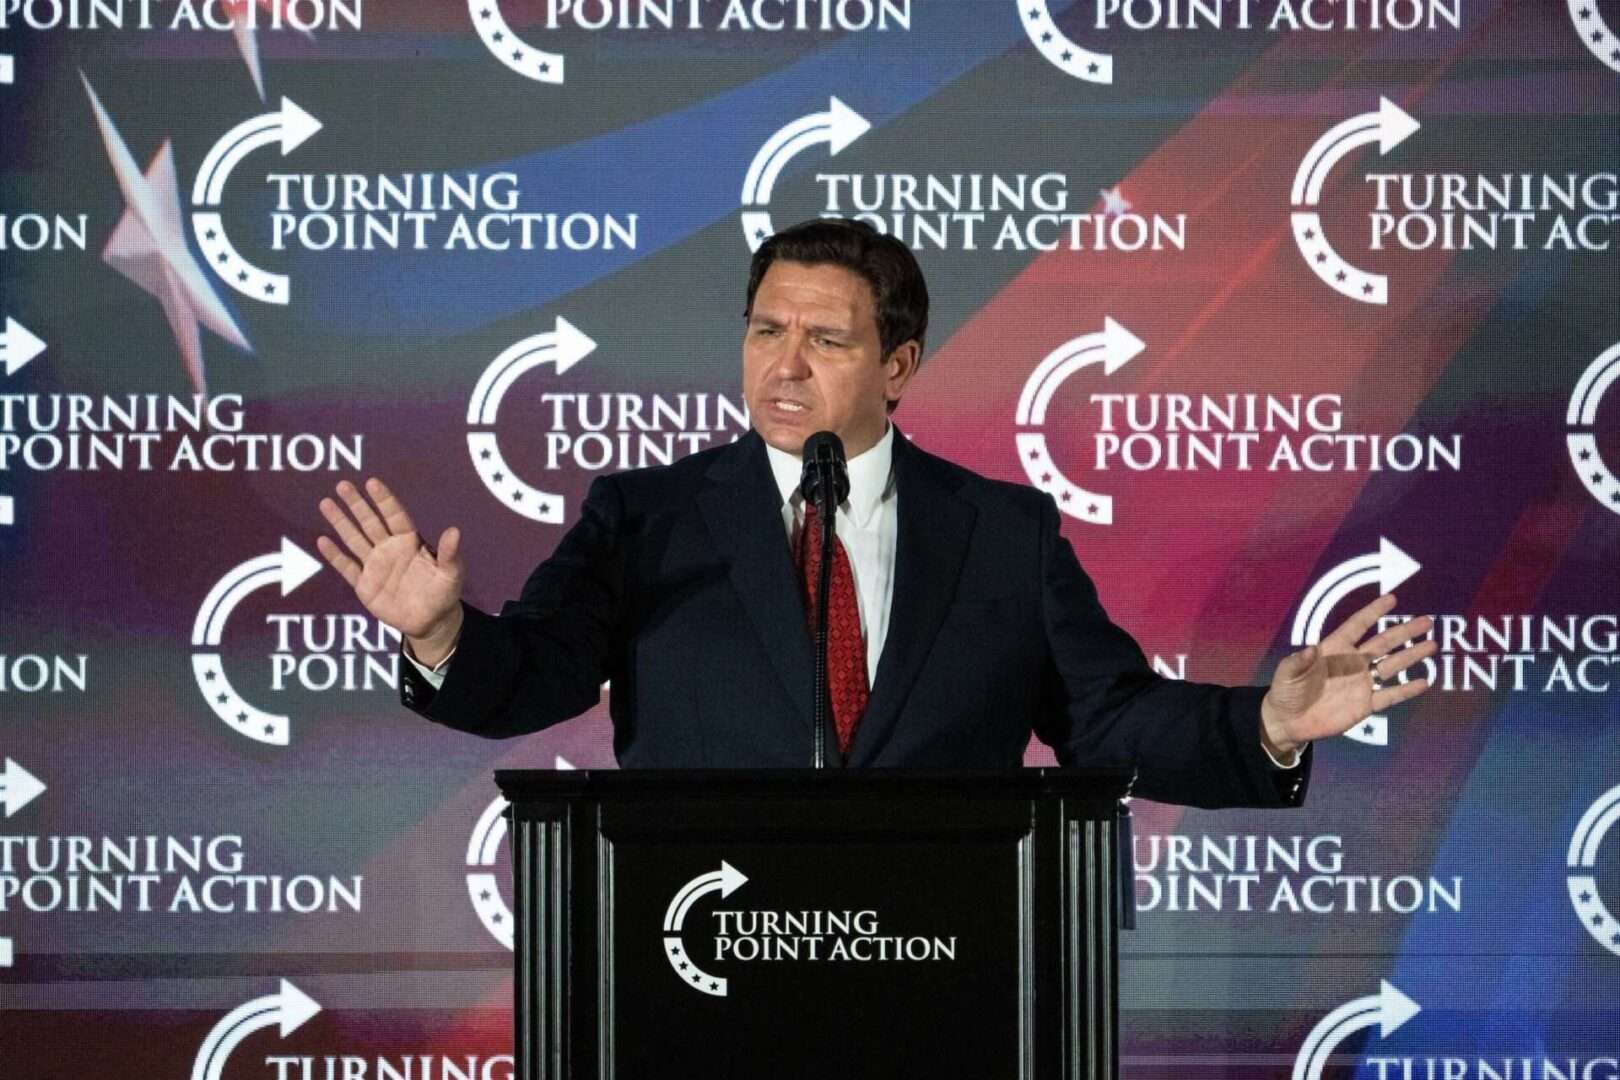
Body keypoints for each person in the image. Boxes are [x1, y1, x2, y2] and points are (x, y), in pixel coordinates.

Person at [313, 218, 1434, 807]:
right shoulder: (646, 517)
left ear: (898, 366)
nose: (784, 365)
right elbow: (542, 673)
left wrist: (1270, 726)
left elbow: (1108, 720)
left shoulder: (1004, 532)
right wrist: (440, 635)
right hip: (705, 955)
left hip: (943, 965)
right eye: (765, 331)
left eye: (826, 339)